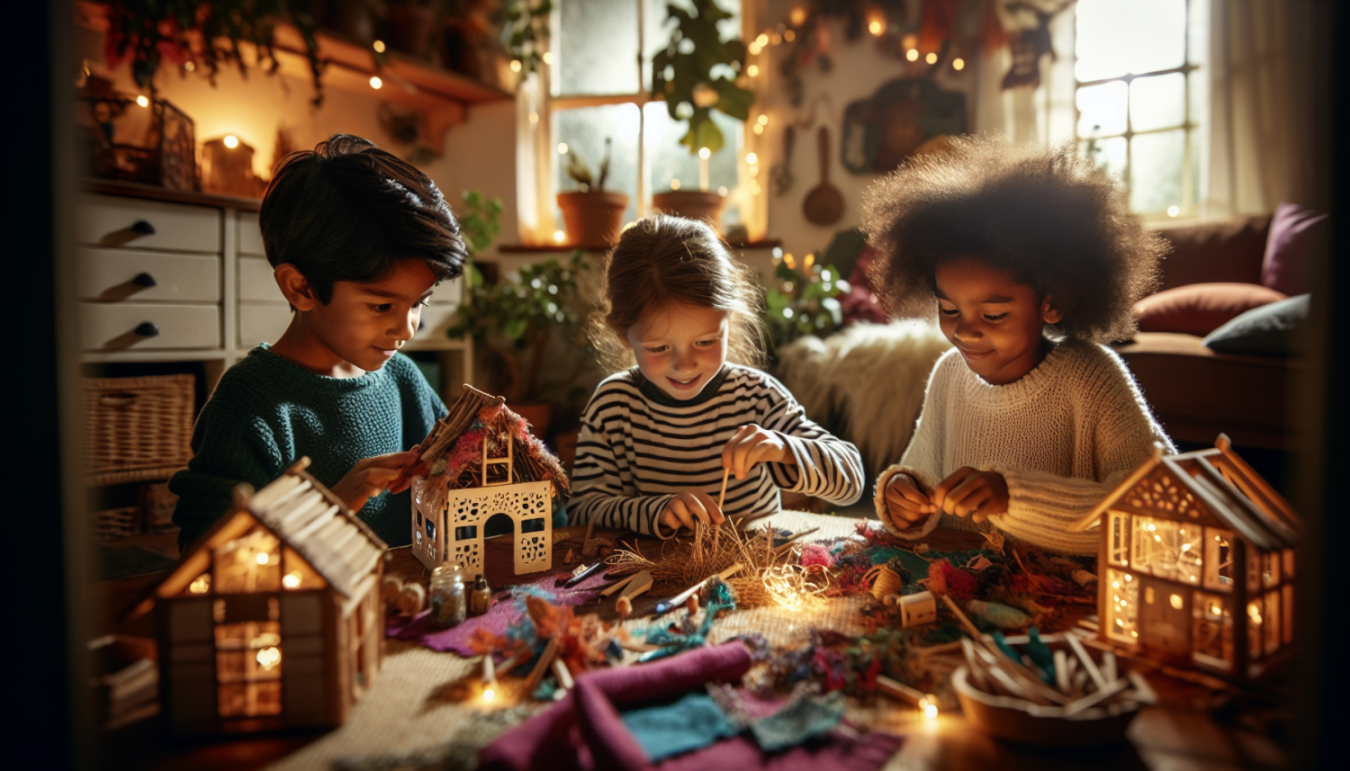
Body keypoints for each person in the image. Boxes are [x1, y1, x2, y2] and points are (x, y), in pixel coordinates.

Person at [861, 136, 1174, 555]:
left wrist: (1014, 497)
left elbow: (1159, 505)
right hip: (962, 593)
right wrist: (904, 494)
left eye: (993, 315)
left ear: (1053, 302)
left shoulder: (1092, 378)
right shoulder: (949, 374)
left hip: (1062, 601)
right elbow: (921, 473)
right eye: (949, 309)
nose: (966, 332)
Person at [169, 134, 467, 548]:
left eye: (419, 303)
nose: (407, 329)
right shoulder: (249, 405)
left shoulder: (404, 380)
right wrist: (334, 504)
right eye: (381, 306)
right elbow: (208, 556)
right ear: (301, 288)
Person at [569, 216, 865, 537]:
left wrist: (784, 447)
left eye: (705, 341)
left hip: (753, 577)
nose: (684, 365)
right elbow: (582, 511)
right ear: (624, 335)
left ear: (728, 320)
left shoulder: (757, 397)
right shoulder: (612, 406)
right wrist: (655, 510)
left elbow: (852, 479)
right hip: (652, 580)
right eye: (659, 348)